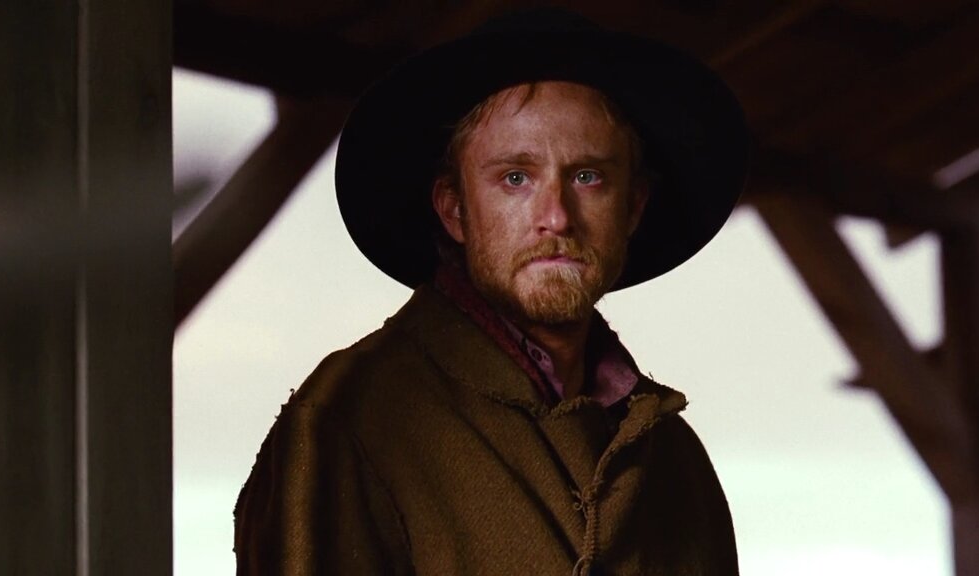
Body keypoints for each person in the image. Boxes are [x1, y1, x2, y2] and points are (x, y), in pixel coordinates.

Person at [234, 8, 749, 576]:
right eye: (515, 178)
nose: (556, 216)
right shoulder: (351, 421)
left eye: (588, 176)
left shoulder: (674, 458)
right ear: (454, 209)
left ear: (632, 208)